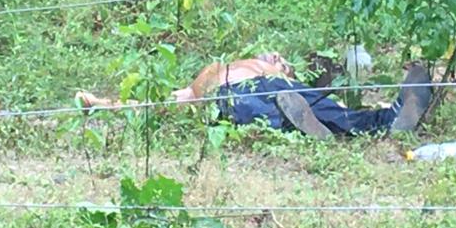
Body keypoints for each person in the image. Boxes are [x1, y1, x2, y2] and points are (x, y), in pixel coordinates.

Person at [76, 52, 433, 139]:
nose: (276, 58)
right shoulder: (220, 72)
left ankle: (388, 117)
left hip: (267, 97)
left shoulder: (280, 78)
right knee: (284, 106)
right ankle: (303, 123)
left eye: (284, 61)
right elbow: (155, 105)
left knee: (319, 106)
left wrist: (281, 73)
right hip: (231, 98)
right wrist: (103, 104)